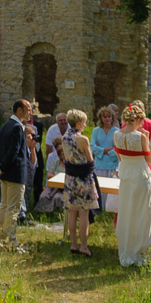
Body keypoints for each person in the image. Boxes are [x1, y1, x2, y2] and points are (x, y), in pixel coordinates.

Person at [114, 101, 151, 266]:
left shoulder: (116, 135)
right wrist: (147, 139)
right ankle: (142, 248)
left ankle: (129, 248)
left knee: (128, 212)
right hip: (140, 176)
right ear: (137, 120)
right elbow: (150, 160)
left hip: (126, 177)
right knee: (144, 213)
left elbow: (120, 157)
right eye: (141, 120)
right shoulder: (141, 136)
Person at [0, 99, 33, 251]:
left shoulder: (5, 125)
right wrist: (1, 167)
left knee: (4, 205)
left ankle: (1, 238)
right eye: (28, 109)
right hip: (15, 173)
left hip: (5, 172)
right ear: (20, 110)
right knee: (13, 208)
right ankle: (11, 240)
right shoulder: (16, 127)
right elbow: (13, 152)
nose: (31, 113)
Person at [62, 109, 98, 257]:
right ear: (78, 123)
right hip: (83, 178)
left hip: (70, 178)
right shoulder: (82, 139)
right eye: (84, 122)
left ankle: (74, 244)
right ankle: (83, 245)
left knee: (72, 210)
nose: (85, 124)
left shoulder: (64, 137)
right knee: (84, 212)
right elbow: (90, 160)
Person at [91, 104, 120, 217]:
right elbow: (93, 146)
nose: (107, 119)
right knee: (100, 188)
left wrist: (106, 150)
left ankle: (111, 210)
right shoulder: (96, 131)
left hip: (113, 163)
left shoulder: (117, 131)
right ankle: (100, 210)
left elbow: (118, 148)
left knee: (111, 189)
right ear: (101, 118)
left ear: (112, 118)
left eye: (109, 117)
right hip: (100, 163)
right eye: (105, 117)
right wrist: (105, 150)